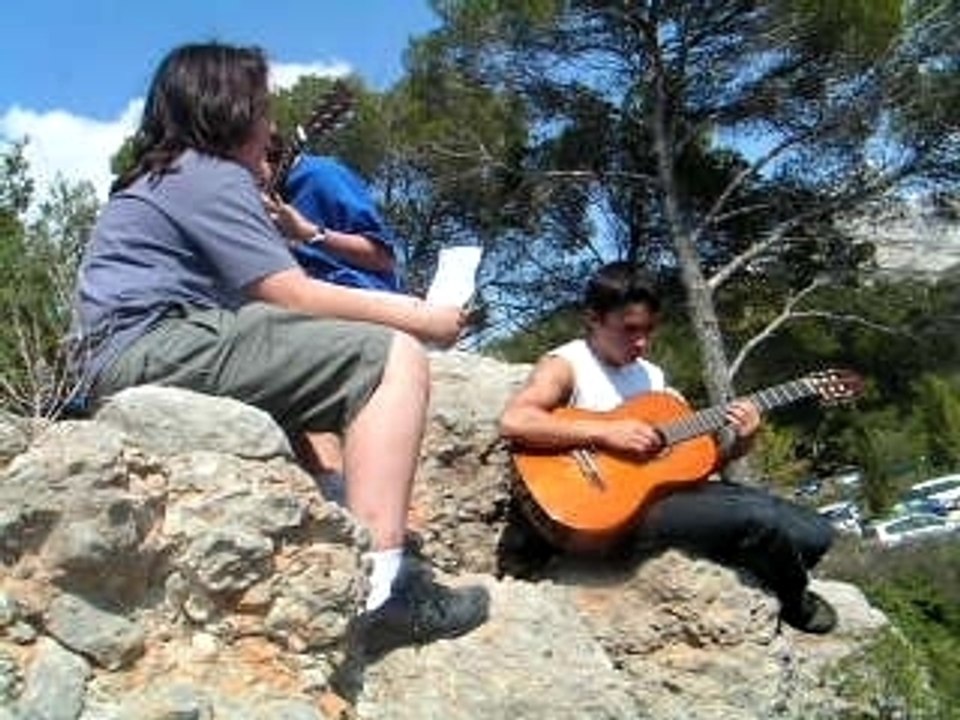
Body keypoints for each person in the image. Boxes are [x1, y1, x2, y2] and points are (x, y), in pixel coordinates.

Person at [70, 41, 488, 658]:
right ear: (232, 110)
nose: (270, 127)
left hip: (130, 350)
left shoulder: (168, 177)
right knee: (388, 358)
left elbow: (264, 325)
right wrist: (423, 320)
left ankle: (344, 521)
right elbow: (293, 297)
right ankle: (382, 589)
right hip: (156, 343)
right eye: (263, 110)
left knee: (301, 379)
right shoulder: (208, 175)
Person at [498, 262, 838, 634]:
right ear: (593, 318)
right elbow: (516, 421)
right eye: (629, 330)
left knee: (817, 533)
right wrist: (604, 434)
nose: (641, 342)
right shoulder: (567, 365)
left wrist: (743, 440)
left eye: (648, 330)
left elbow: (694, 464)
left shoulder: (651, 377)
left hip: (665, 499)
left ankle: (742, 551)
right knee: (758, 520)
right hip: (612, 518)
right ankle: (794, 602)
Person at [266, 133, 402, 292]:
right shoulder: (258, 198)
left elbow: (382, 258)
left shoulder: (321, 176)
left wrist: (308, 233)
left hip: (356, 299)